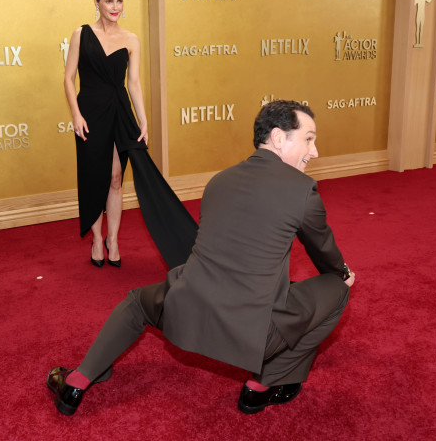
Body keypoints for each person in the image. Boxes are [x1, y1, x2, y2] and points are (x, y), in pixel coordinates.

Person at [47, 100, 356, 415]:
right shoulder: (303, 191)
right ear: (278, 138)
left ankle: (76, 381)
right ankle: (262, 386)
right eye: (308, 138)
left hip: (185, 311)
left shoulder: (219, 181)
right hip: (253, 332)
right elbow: (326, 257)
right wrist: (341, 273)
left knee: (138, 302)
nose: (314, 151)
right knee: (339, 288)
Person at [63, 0, 197, 270]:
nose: (115, 7)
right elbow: (68, 78)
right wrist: (76, 114)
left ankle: (114, 240)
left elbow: (133, 84)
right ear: (96, 2)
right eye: (109, 1)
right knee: (92, 178)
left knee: (114, 178)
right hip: (90, 113)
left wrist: (144, 120)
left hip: (120, 111)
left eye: (119, 1)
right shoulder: (80, 34)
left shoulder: (131, 39)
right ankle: (97, 239)